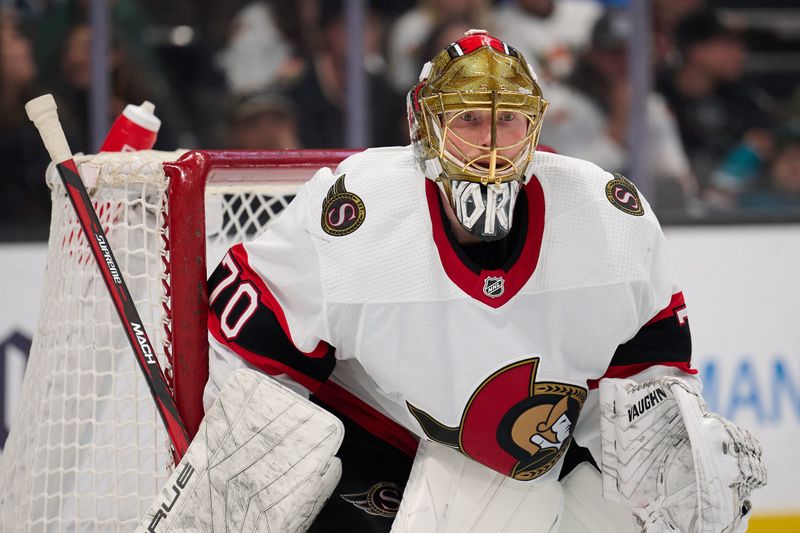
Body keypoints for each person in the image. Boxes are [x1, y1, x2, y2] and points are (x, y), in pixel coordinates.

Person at [204, 30, 765, 532]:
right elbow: (253, 370)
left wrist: (677, 474)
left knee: (691, 485)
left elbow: (651, 388)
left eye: (506, 119)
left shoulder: (607, 218)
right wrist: (245, 492)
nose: (490, 142)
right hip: (376, 451)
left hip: (541, 462)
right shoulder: (359, 211)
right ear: (426, 125)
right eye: (468, 118)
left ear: (534, 124)